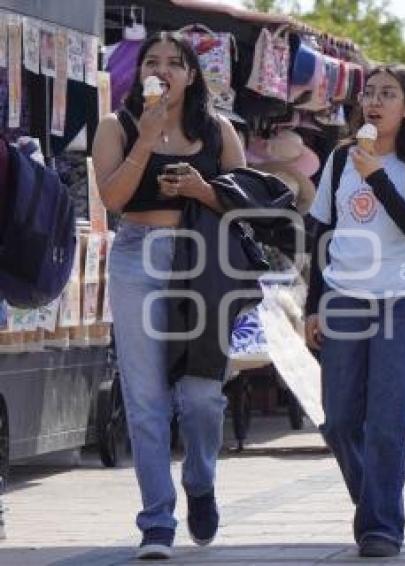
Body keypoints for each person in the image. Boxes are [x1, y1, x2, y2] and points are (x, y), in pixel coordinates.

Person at [91, 32, 246, 559]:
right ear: (140, 74)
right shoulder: (118, 125)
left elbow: (245, 206)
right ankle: (156, 520)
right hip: (137, 257)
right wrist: (146, 139)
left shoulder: (217, 130)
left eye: (174, 63)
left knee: (202, 395)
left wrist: (202, 191)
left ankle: (200, 482)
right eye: (151, 62)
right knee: (146, 399)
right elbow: (111, 198)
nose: (162, 70)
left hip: (202, 262)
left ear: (192, 74)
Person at [303, 66, 405, 558]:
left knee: (386, 421)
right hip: (344, 296)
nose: (375, 101)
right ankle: (375, 506)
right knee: (340, 420)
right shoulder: (341, 159)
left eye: (389, 94)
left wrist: (379, 177)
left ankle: (382, 525)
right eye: (370, 92)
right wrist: (313, 306)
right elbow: (319, 231)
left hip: (403, 300)